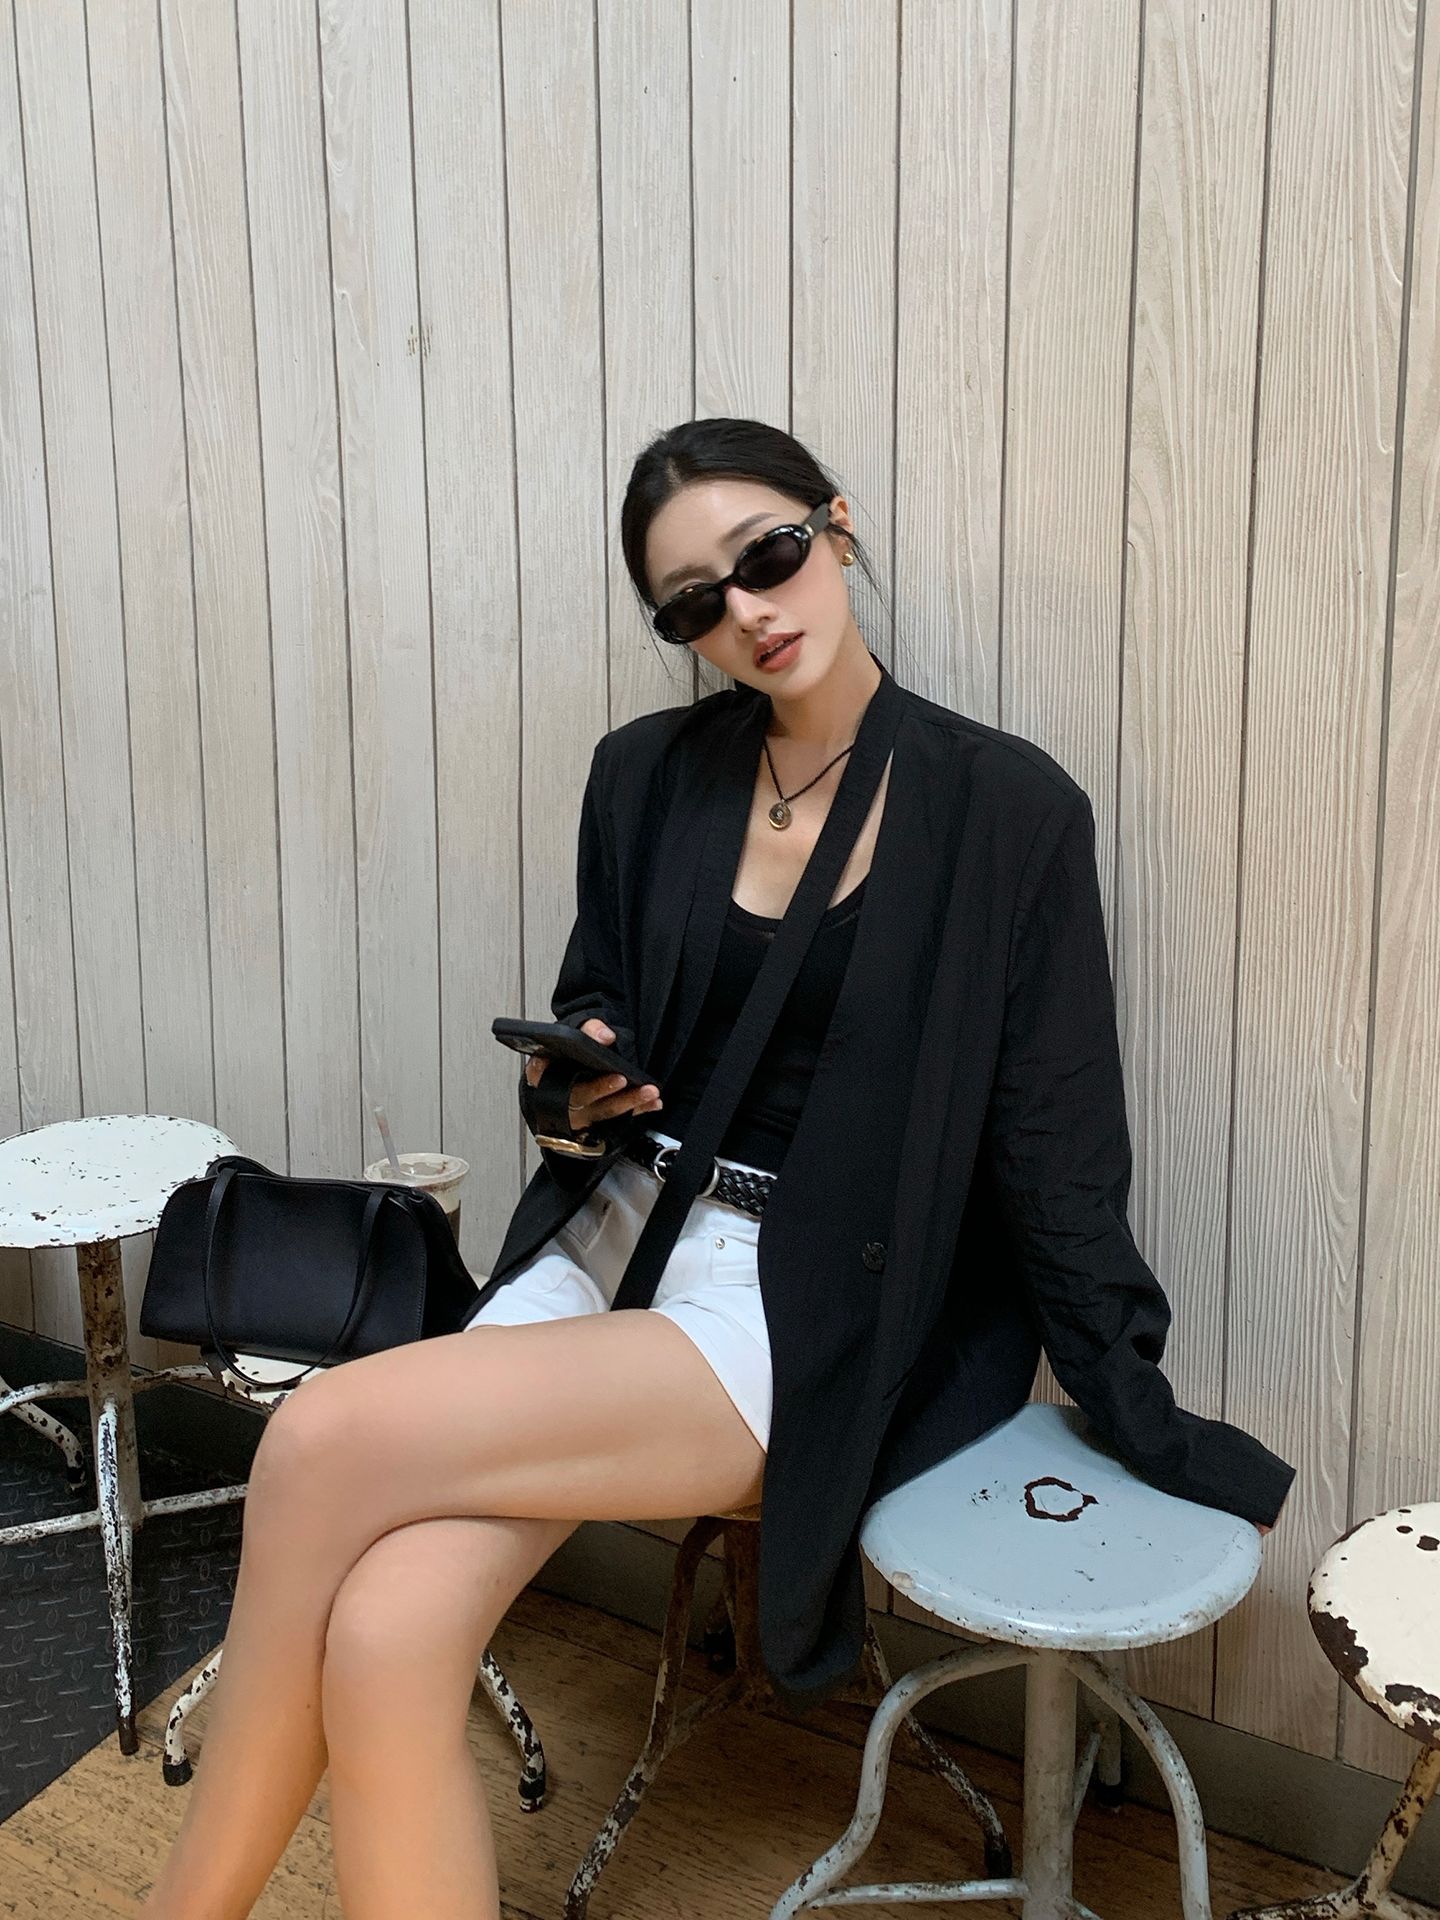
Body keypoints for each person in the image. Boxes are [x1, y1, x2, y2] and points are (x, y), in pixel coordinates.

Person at [141, 417, 1292, 1919]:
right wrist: (577, 1087)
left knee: (311, 1442)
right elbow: (594, 1025)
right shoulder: (648, 776)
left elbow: (1057, 1149)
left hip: (795, 1301)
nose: (747, 612)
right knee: (384, 1637)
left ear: (838, 525)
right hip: (613, 1236)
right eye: (695, 603)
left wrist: (1135, 1403)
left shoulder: (1006, 812)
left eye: (770, 555)